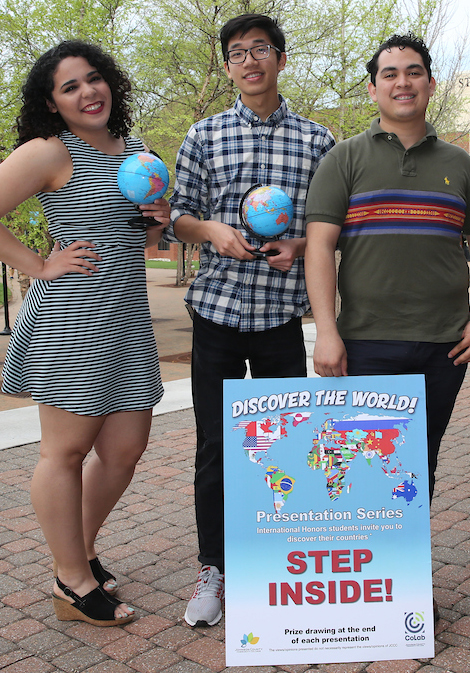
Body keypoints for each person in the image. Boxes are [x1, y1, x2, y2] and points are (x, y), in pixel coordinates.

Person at [166, 13, 335, 627]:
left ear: (281, 59)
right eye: (237, 53)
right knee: (215, 444)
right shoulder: (203, 136)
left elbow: (329, 226)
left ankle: (273, 556)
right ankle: (214, 565)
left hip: (279, 321)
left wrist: (300, 245)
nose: (249, 60)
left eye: (260, 49)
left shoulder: (319, 142)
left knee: (284, 446)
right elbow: (175, 218)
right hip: (217, 312)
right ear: (229, 66)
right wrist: (208, 228)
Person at [0, 40, 169, 626]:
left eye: (93, 79)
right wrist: (39, 265)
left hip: (127, 321)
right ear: (51, 103)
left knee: (124, 452)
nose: (87, 92)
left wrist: (157, 224)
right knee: (64, 453)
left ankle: (81, 549)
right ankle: (71, 582)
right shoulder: (49, 151)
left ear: (110, 83)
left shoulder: (138, 151)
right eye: (69, 87)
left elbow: (143, 242)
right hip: (73, 321)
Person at [304, 33, 470, 503]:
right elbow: (318, 248)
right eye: (389, 74)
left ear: (430, 84)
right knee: (359, 462)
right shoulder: (343, 158)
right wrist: (326, 332)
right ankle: (366, 567)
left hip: (445, 344)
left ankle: (402, 576)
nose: (402, 82)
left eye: (413, 72)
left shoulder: (459, 164)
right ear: (373, 89)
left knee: (418, 461)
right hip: (367, 342)